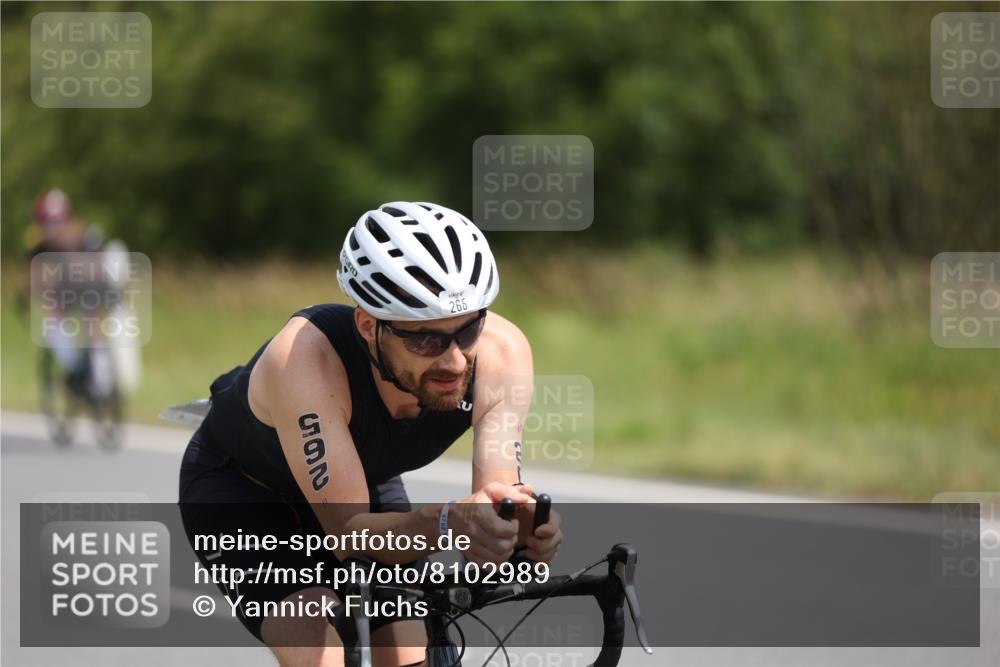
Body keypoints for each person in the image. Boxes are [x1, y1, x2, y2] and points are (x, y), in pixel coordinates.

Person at [179, 201, 563, 667]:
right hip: (244, 495)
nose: (455, 361)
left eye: (467, 331)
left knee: (408, 658)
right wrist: (446, 522)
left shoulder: (500, 354)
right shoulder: (306, 359)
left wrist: (518, 533)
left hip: (362, 479)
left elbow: (493, 500)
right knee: (321, 655)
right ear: (368, 326)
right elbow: (349, 536)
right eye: (425, 340)